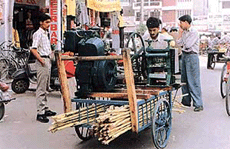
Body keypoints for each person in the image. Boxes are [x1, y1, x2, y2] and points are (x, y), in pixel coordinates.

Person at [30, 13, 56, 123]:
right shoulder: (38, 34)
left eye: (49, 22)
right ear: (41, 23)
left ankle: (45, 108)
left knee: (46, 86)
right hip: (43, 61)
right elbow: (33, 49)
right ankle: (40, 112)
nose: (49, 24)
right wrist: (41, 60)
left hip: (47, 60)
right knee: (41, 87)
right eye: (47, 22)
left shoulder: (45, 34)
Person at [176, 15, 203, 112]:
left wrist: (183, 42)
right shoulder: (184, 32)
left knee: (193, 80)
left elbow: (187, 45)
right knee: (184, 79)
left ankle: (198, 104)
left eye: (181, 22)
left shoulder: (193, 32)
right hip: (184, 55)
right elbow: (178, 42)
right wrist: (180, 33)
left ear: (186, 22)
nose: (180, 25)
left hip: (192, 56)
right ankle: (186, 101)